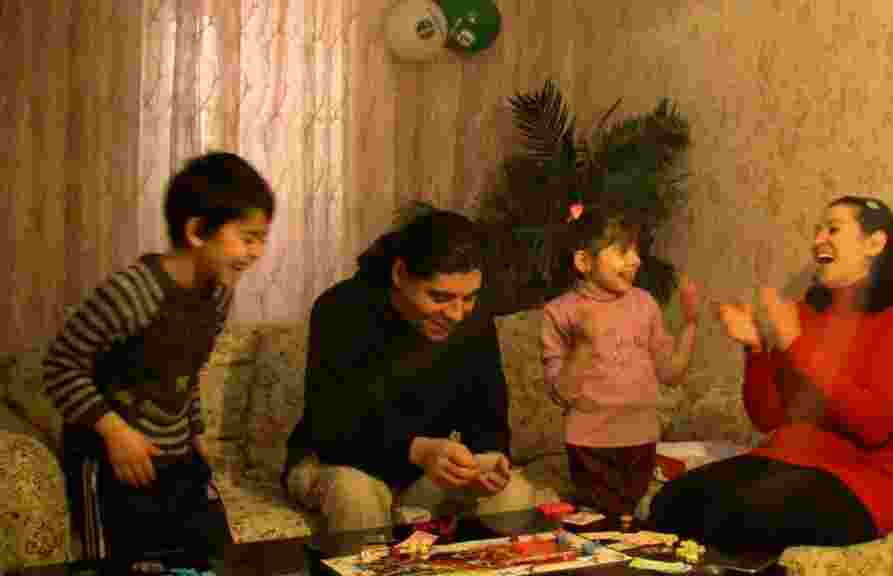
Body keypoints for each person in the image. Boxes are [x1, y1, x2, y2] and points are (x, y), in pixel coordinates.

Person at [649, 196, 893, 552]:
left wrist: (798, 347)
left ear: (874, 244)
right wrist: (755, 350)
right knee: (670, 503)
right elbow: (767, 416)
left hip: (860, 480)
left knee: (745, 517)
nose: (818, 240)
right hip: (782, 460)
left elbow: (874, 423)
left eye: (833, 229)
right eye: (817, 230)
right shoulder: (804, 312)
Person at [42, 152, 274, 562]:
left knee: (215, 558)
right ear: (198, 231)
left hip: (176, 452)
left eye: (262, 239)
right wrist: (116, 434)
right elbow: (61, 366)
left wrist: (195, 431)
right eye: (248, 237)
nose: (257, 252)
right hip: (110, 456)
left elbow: (186, 371)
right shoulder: (133, 291)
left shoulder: (219, 294)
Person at [283, 208, 538, 533]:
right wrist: (416, 449)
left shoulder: (474, 318)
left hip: (420, 475)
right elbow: (330, 427)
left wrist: (488, 460)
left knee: (513, 493)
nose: (457, 314)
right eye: (439, 297)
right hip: (337, 461)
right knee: (357, 494)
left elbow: (489, 414)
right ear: (400, 274)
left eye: (470, 297)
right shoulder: (340, 309)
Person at [541, 205, 699, 518]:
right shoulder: (560, 312)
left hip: (641, 439)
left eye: (636, 251)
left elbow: (670, 374)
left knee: (637, 525)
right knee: (604, 521)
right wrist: (584, 344)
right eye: (623, 251)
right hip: (590, 446)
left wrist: (691, 324)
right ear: (584, 261)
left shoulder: (645, 304)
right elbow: (561, 393)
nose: (636, 260)